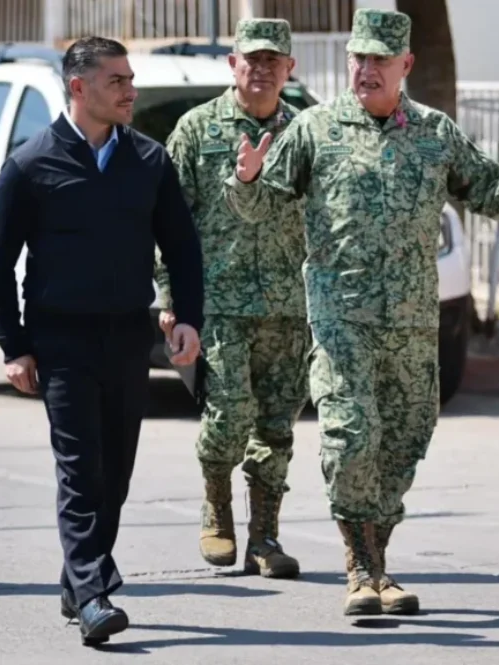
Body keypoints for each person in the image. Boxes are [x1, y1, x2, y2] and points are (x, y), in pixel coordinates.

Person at [226, 8, 499, 616]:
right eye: (359, 57)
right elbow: (261, 205)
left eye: (380, 59)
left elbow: (488, 193)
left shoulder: (435, 133)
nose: (367, 69)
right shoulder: (316, 130)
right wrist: (246, 182)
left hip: (410, 322)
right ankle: (362, 568)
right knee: (351, 438)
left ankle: (378, 558)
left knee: (403, 442)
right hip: (339, 315)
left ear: (405, 65)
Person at [0, 36, 204, 645]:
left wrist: (187, 316)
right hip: (60, 339)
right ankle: (94, 594)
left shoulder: (150, 161)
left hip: (129, 335)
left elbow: (182, 248)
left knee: (117, 474)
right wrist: (14, 345)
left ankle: (76, 579)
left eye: (130, 79)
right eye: (117, 81)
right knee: (81, 469)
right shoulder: (32, 164)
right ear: (78, 88)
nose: (130, 91)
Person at [157, 18, 309, 581]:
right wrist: (171, 297)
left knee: (276, 425)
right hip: (217, 302)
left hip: (289, 305)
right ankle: (216, 503)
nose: (263, 69)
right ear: (233, 65)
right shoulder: (197, 130)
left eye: (274, 60)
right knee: (228, 416)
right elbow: (168, 222)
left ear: (290, 69)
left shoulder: (306, 132)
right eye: (253, 59)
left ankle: (265, 536)